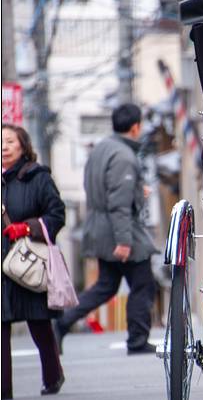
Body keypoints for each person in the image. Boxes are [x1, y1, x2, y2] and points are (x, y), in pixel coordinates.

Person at [55, 103, 157, 355]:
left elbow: (104, 190)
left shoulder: (100, 149)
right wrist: (124, 241)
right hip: (120, 232)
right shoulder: (124, 156)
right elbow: (119, 203)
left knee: (106, 285)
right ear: (136, 127)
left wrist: (136, 192)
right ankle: (137, 340)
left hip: (99, 227)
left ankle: (63, 322)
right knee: (143, 283)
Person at [2, 124, 66, 399]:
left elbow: (57, 214)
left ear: (22, 145)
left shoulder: (38, 177)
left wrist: (27, 228)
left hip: (26, 261)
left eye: (9, 141)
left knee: (39, 323)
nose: (4, 146)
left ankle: (53, 377)